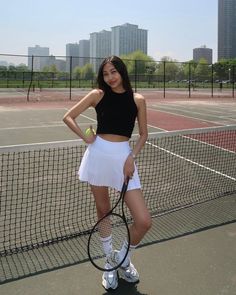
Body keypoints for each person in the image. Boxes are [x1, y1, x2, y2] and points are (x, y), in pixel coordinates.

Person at [63, 56, 152, 291]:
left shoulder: (138, 100)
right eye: (105, 74)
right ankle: (110, 263)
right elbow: (68, 116)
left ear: (122, 71)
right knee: (103, 211)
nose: (110, 77)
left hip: (124, 159)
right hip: (98, 156)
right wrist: (86, 137)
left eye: (114, 72)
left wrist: (131, 157)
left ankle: (122, 258)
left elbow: (143, 134)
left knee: (143, 221)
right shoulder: (97, 95)